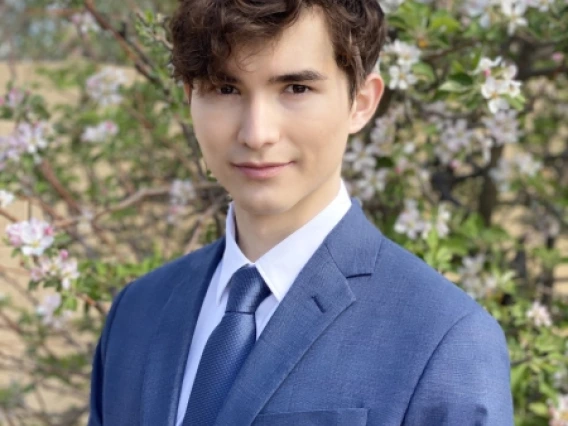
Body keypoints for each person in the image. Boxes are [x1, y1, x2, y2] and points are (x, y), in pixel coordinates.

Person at [88, 0, 514, 425]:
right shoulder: (136, 313)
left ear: (361, 102)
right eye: (225, 88)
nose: (257, 134)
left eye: (296, 89)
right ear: (190, 98)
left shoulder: (446, 338)